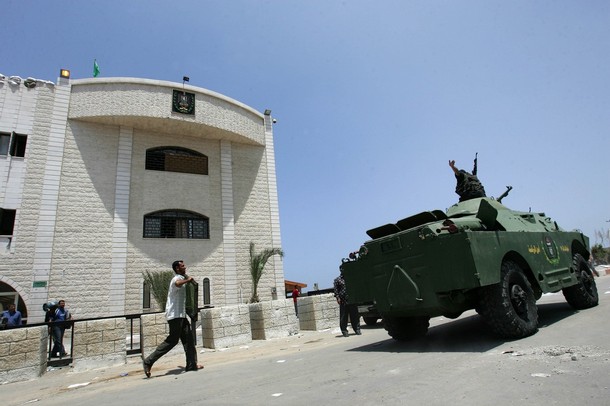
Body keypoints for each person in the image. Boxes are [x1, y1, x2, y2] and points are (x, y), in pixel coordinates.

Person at [143, 260, 203, 377]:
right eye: (182, 266)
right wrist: (188, 280)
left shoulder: (181, 277)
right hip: (174, 316)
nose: (185, 267)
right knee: (172, 341)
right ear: (177, 268)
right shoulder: (176, 279)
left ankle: (191, 364)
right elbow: (178, 284)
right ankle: (148, 361)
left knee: (189, 340)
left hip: (181, 315)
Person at [333, 268, 361, 337]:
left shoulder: (351, 278)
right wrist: (338, 298)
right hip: (343, 300)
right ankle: (344, 331)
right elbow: (336, 290)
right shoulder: (337, 280)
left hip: (352, 299)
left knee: (354, 315)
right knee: (343, 316)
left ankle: (357, 329)